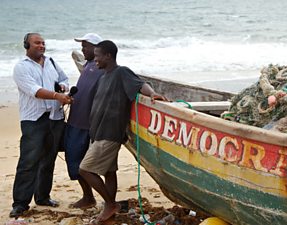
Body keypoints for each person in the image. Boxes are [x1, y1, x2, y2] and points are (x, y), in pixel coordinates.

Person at [79, 40, 168, 222]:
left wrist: (151, 94)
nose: (95, 60)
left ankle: (111, 204)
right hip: (98, 132)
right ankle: (109, 207)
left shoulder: (121, 72)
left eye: (97, 56)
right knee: (109, 172)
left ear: (108, 56)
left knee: (85, 169)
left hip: (110, 133)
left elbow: (140, 84)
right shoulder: (103, 76)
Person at [10, 33, 72, 218]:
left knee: (49, 160)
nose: (41, 46)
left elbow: (64, 79)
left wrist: (62, 87)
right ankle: (20, 204)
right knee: (28, 162)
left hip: (55, 117)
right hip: (34, 120)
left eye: (43, 43)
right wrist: (57, 96)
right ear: (26, 45)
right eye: (37, 43)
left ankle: (43, 197)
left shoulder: (52, 62)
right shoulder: (21, 67)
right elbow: (34, 90)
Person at [64, 33, 104, 209]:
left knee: (82, 164)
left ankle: (97, 199)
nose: (82, 49)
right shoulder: (88, 64)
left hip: (87, 124)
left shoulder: (103, 68)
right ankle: (88, 196)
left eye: (86, 46)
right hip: (75, 119)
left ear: (96, 48)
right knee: (72, 160)